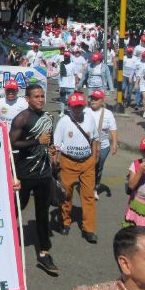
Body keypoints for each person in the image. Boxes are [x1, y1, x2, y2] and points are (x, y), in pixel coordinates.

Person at [9, 84, 59, 275]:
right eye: (36, 97)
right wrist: (36, 142)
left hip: (44, 173)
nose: (40, 99)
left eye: (42, 96)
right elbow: (12, 142)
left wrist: (52, 151)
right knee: (16, 209)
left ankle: (44, 252)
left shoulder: (48, 118)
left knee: (43, 213)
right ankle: (7, 241)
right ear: (27, 99)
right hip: (24, 174)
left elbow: (49, 141)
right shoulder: (22, 118)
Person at [53, 93, 99, 243]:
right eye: (75, 106)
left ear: (84, 106)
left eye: (80, 106)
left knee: (88, 196)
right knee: (66, 194)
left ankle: (89, 229)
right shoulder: (64, 121)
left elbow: (95, 139)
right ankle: (65, 222)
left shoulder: (90, 118)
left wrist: (94, 158)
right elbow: (57, 145)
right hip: (68, 162)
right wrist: (55, 161)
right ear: (69, 107)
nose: (78, 109)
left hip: (87, 163)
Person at [86, 90, 117, 199]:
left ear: (102, 101)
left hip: (103, 146)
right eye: (92, 98)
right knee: (87, 167)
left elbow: (113, 129)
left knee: (98, 167)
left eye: (96, 99)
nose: (93, 100)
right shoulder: (85, 111)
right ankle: (86, 186)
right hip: (87, 146)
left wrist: (114, 143)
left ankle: (95, 188)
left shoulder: (108, 114)